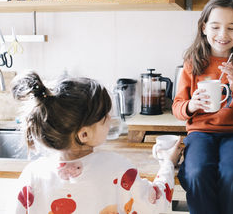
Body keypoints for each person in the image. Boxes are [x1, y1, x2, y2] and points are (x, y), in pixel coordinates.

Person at [10, 71, 182, 214]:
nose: (110, 119)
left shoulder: (32, 174)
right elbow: (154, 202)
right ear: (84, 134)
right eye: (104, 117)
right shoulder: (117, 168)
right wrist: (167, 163)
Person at [172, 0, 233, 214]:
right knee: (196, 173)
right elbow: (178, 107)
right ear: (204, 28)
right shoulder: (192, 63)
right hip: (200, 133)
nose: (223, 35)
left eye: (231, 28)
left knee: (232, 174)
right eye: (215, 27)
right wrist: (192, 106)